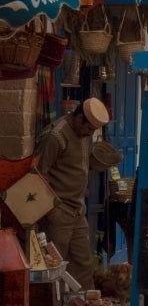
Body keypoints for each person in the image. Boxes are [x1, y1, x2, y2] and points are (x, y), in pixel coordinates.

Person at [35, 98, 121, 290]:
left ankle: (85, 304)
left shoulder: (83, 135)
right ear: (79, 118)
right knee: (55, 264)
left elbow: (76, 166)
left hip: (77, 209)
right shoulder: (55, 136)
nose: (89, 134)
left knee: (83, 263)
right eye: (88, 129)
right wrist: (50, 208)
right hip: (58, 210)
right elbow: (38, 174)